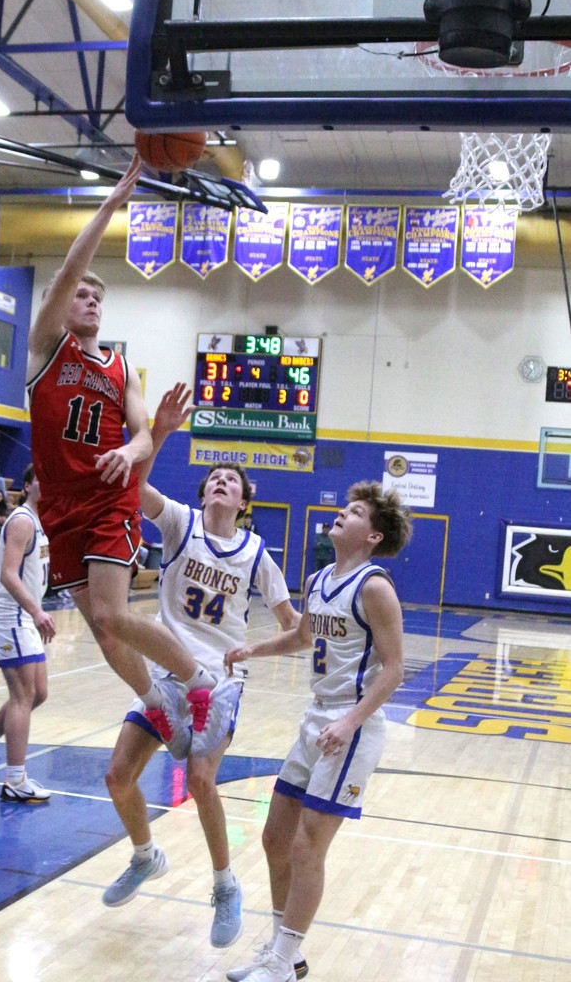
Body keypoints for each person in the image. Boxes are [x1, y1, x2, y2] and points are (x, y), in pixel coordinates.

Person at [26, 154, 237, 757]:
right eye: (81, 293)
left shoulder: (121, 370)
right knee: (100, 628)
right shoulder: (45, 350)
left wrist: (135, 444)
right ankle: (158, 702)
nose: (90, 299)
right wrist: (111, 206)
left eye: (98, 295)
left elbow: (143, 437)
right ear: (60, 305)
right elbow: (70, 267)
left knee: (114, 616)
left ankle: (202, 684)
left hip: (107, 500)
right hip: (60, 508)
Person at [103, 385, 300, 948]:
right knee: (118, 777)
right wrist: (160, 431)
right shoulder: (180, 523)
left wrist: (256, 652)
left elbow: (294, 627)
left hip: (219, 680)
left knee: (199, 779)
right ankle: (145, 856)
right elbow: (133, 488)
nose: (221, 480)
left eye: (231, 479)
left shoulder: (257, 553)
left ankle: (225, 885)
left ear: (244, 501)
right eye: (214, 474)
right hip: (167, 675)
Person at [223, 482, 413, 982]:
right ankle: (287, 952)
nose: (339, 514)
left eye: (352, 512)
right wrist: (253, 650)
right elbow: (304, 637)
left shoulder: (375, 587)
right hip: (316, 718)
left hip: (354, 722)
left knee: (308, 845)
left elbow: (394, 669)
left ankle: (282, 961)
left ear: (372, 535)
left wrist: (350, 721)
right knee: (274, 837)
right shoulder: (319, 578)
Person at [0, 464, 56, 802]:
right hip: (9, 615)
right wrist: (37, 610)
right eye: (42, 479)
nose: (48, 485)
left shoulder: (40, 522)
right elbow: (7, 575)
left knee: (39, 693)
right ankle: (16, 780)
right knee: (23, 695)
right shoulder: (22, 520)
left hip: (23, 617)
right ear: (28, 484)